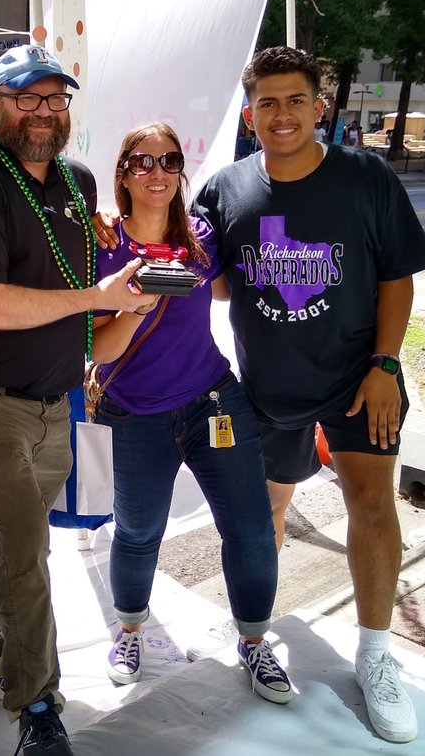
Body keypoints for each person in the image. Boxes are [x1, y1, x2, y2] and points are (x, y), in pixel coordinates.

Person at [193, 46, 425, 744]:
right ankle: (255, 636)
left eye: (295, 100)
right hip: (270, 386)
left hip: (360, 380)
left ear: (319, 106)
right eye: (267, 102)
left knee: (371, 505)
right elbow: (207, 277)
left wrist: (386, 364)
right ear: (250, 112)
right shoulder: (228, 189)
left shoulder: (364, 178)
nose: (282, 114)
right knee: (263, 513)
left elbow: (397, 277)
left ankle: (376, 654)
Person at [0, 43, 155, 755]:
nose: (45, 112)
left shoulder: (78, 182)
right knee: (23, 551)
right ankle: (38, 706)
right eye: (28, 97)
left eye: (57, 99)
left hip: (54, 395)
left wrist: (124, 309)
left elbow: (71, 291)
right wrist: (97, 297)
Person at [92, 122, 291, 705]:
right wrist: (135, 302)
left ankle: (255, 643)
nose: (157, 172)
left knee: (251, 529)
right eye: (143, 161)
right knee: (138, 532)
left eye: (169, 161)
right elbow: (95, 350)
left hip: (212, 401)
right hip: (133, 412)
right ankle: (129, 631)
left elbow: (242, 281)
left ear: (182, 171)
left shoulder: (201, 235)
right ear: (123, 173)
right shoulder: (102, 245)